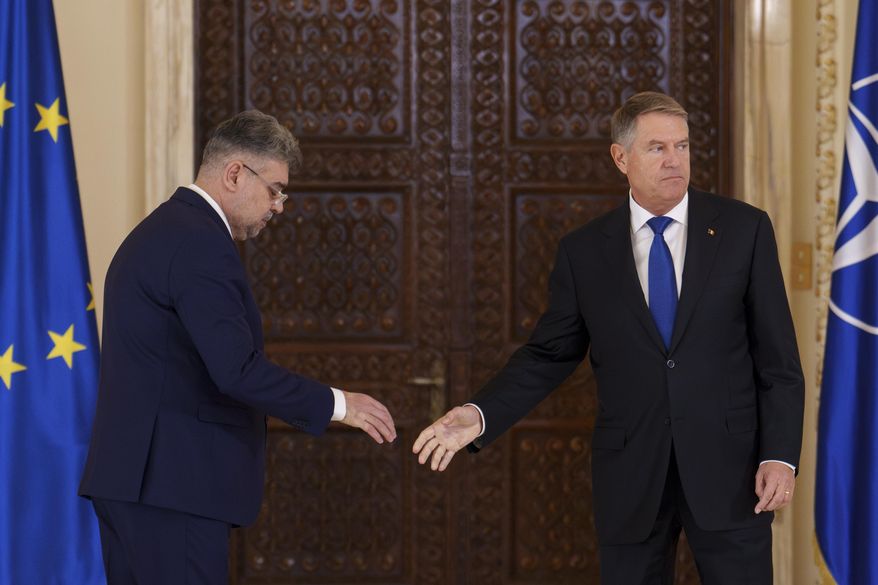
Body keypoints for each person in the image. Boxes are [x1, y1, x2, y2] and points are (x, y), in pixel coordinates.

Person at [413, 92, 804, 584]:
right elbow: (548, 355)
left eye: (682, 146)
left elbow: (779, 362)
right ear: (621, 158)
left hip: (732, 471)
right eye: (657, 148)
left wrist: (779, 456)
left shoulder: (744, 229)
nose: (674, 160)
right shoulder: (584, 252)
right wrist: (480, 413)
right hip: (631, 476)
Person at [79, 110, 396, 584]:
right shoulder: (200, 243)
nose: (279, 206)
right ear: (234, 174)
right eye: (274, 190)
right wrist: (338, 404)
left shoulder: (163, 230)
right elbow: (237, 370)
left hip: (139, 483)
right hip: (173, 491)